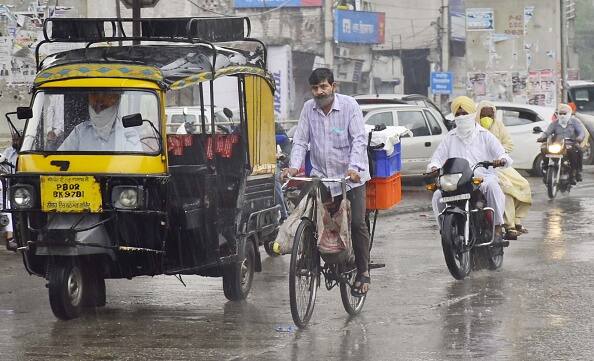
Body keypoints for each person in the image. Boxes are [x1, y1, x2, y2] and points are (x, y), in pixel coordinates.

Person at [281, 68, 371, 296]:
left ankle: (363, 272)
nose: (319, 92)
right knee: (307, 214)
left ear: (333, 86)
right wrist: (293, 167)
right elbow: (300, 141)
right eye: (315, 88)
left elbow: (359, 140)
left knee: (357, 223)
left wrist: (353, 168)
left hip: (351, 177)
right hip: (323, 175)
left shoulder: (349, 106)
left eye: (323, 86)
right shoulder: (308, 109)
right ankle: (308, 257)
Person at [428, 96, 512, 243]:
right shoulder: (449, 137)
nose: (461, 117)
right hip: (457, 180)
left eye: (464, 113)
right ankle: (445, 230)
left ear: (473, 113)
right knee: (437, 196)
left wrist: (501, 160)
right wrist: (434, 166)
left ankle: (497, 227)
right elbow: (437, 158)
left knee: (492, 187)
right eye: (458, 114)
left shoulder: (486, 136)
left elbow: (502, 154)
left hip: (481, 177)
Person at [476, 101, 531, 238]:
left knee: (524, 185)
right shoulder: (473, 128)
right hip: (480, 167)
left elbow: (508, 144)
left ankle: (517, 220)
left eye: (490, 115)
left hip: (499, 165)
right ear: (478, 114)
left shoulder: (499, 125)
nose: (487, 118)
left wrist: (500, 155)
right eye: (484, 115)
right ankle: (508, 225)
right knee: (506, 189)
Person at [59, 92, 142, 152]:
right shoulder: (80, 132)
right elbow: (59, 159)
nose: (98, 111)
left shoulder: (128, 135)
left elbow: (136, 168)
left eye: (103, 107)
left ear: (116, 102)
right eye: (95, 107)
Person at [538, 103, 586, 184]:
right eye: (560, 113)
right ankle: (546, 167)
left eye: (564, 113)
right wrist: (542, 137)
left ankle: (575, 172)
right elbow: (547, 132)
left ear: (569, 113)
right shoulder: (555, 123)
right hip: (558, 144)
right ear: (558, 114)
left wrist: (579, 138)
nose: (562, 115)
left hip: (571, 143)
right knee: (543, 148)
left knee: (578, 151)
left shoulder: (575, 122)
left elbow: (581, 132)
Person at [2, 132, 21, 250]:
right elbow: (2, 164)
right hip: (9, 184)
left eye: (17, 140)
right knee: (8, 210)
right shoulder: (9, 152)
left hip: (23, 185)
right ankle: (11, 239)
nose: (14, 142)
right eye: (13, 140)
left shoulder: (27, 152)